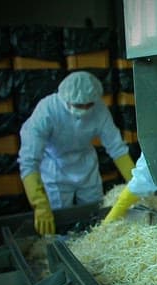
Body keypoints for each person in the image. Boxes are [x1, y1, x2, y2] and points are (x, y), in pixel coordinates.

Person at [18, 71, 135, 235]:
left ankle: (93, 243)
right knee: (60, 219)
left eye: (89, 105)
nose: (85, 109)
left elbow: (117, 147)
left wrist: (136, 183)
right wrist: (40, 204)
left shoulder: (99, 109)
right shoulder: (47, 110)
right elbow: (29, 160)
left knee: (95, 213)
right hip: (55, 168)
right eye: (79, 105)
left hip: (85, 166)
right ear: (65, 99)